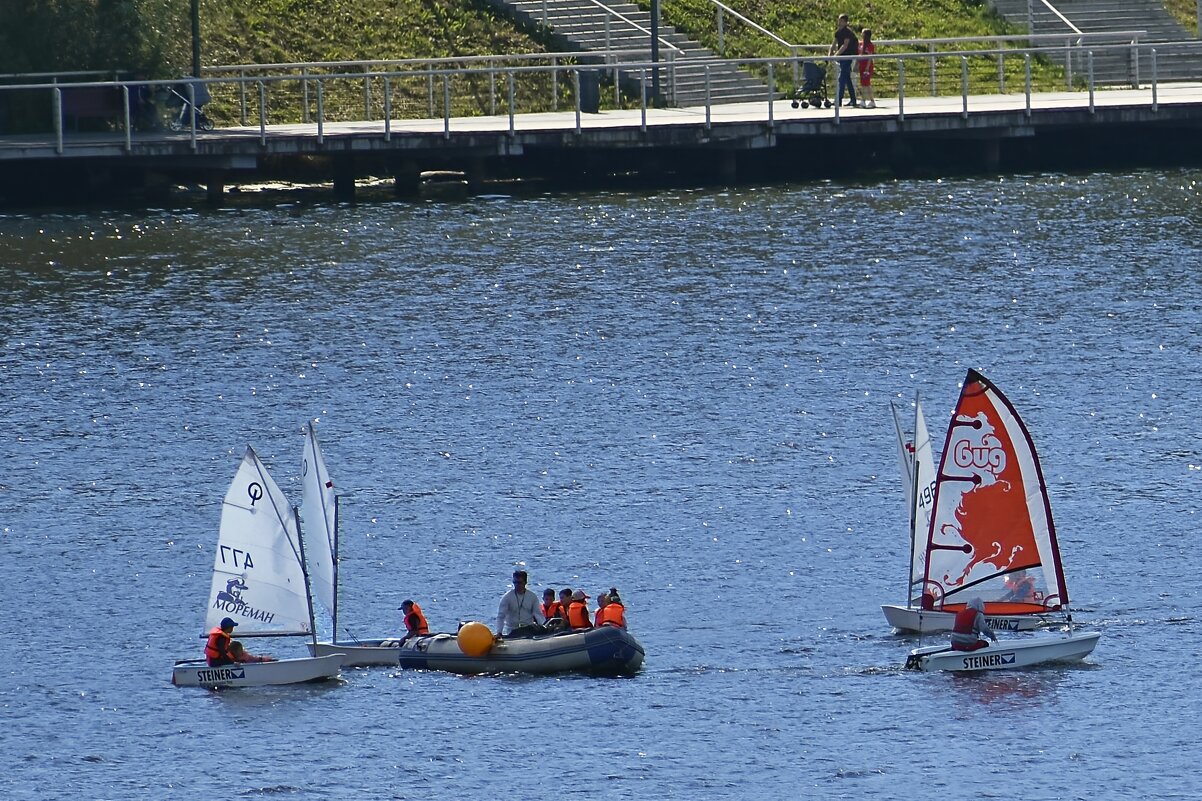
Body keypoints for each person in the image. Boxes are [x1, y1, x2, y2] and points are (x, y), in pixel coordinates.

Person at [496, 569, 545, 637]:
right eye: (515, 582)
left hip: (528, 630)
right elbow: (501, 616)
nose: (517, 585)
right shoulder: (507, 597)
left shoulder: (532, 597)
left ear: (525, 582)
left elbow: (538, 614)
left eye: (519, 582)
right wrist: (499, 632)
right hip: (512, 631)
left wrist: (544, 628)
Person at [829, 13, 859, 108]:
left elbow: (845, 45)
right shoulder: (838, 32)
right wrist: (830, 54)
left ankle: (839, 100)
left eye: (841, 21)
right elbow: (834, 43)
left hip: (847, 57)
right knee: (847, 79)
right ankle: (853, 100)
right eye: (839, 20)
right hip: (842, 58)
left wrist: (836, 55)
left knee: (841, 78)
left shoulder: (847, 32)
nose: (839, 22)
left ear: (846, 22)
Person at [857, 28, 877, 109]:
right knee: (864, 83)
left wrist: (867, 67)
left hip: (867, 66)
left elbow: (870, 57)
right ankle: (870, 100)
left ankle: (864, 100)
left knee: (866, 83)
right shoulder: (861, 44)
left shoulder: (870, 45)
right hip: (861, 65)